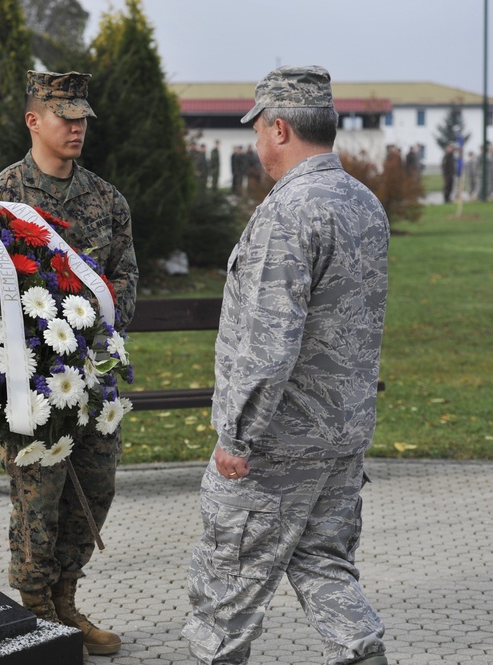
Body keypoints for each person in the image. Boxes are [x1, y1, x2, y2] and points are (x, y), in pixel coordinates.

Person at [182, 65, 390, 665]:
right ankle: (361, 654)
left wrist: (239, 436)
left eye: (257, 132)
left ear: (278, 128)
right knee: (324, 563)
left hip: (277, 442)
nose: (256, 146)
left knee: (228, 584)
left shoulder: (289, 211)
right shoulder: (363, 202)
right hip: (341, 435)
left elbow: (269, 339)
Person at [0, 70, 138, 656]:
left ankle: (67, 600)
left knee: (94, 489)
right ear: (33, 120)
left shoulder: (105, 199)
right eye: (64, 116)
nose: (76, 127)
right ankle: (37, 612)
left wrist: (94, 329)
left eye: (82, 118)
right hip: (30, 381)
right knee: (36, 497)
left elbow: (125, 275)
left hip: (92, 374)